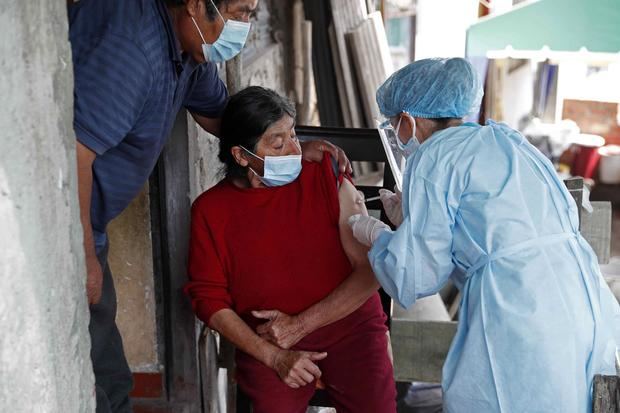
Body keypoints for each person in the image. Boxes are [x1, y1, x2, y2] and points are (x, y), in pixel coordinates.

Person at [69, 0, 350, 411]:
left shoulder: (190, 50)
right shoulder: (130, 48)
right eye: (238, 11)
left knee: (107, 366)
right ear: (199, 5)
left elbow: (224, 117)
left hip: (89, 223)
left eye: (251, 13)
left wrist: (282, 148)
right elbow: (74, 152)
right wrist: (82, 254)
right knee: (85, 359)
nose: (244, 26)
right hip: (63, 226)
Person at [349, 58, 620, 413]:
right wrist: (414, 220)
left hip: (520, 309)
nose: (397, 134)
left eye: (394, 123)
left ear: (409, 119)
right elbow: (501, 224)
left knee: (508, 399)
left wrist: (377, 235)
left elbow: (415, 276)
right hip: (579, 299)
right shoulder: (505, 140)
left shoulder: (434, 157)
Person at [185, 86, 396, 413]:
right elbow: (208, 299)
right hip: (270, 340)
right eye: (279, 143)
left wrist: (300, 324)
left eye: (295, 136)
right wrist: (274, 355)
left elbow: (372, 270)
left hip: (349, 325)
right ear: (242, 156)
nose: (294, 150)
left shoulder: (324, 175)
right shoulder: (210, 211)